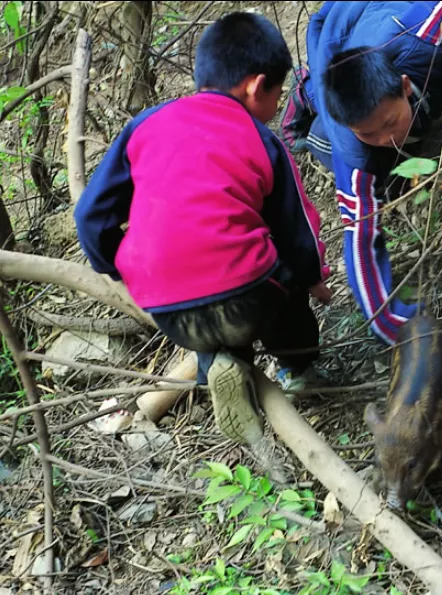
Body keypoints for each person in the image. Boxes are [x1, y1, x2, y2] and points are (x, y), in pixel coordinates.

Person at [74, 12, 332, 446]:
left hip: (167, 308)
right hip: (249, 300)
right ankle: (296, 370)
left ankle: (218, 365)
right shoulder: (261, 139)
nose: (276, 107)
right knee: (279, 291)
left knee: (206, 304)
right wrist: (312, 280)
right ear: (256, 86)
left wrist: (120, 268)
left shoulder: (144, 127)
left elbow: (89, 216)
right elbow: (297, 232)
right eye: (277, 94)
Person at [280, 1, 442, 345]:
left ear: (403, 86)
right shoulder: (350, 146)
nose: (386, 139)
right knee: (326, 108)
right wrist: (390, 323)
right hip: (333, 27)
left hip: (378, 18)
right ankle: (304, 90)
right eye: (369, 134)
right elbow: (360, 233)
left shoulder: (427, 38)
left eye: (389, 122)